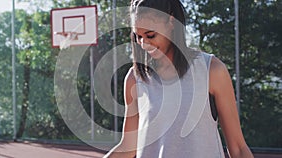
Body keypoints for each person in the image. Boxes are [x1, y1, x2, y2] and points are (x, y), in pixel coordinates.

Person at [104, 0, 254, 157]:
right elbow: (128, 146)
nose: (144, 44)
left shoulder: (212, 70)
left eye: (150, 35)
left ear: (171, 21)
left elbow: (238, 148)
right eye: (138, 37)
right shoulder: (135, 79)